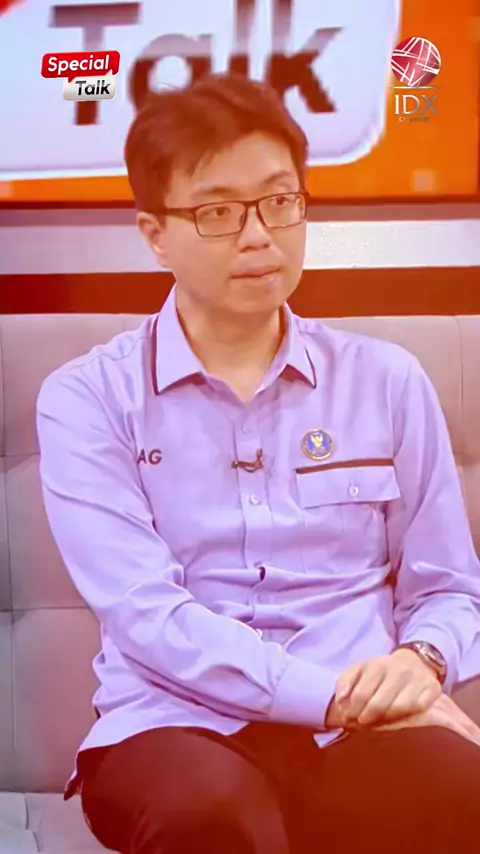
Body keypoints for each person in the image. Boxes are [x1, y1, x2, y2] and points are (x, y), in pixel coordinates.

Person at [36, 73, 480, 854]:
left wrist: (421, 661)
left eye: (280, 201)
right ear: (154, 233)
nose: (258, 236)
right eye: (218, 212)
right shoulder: (87, 397)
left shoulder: (386, 381)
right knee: (209, 817)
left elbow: (447, 585)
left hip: (360, 729)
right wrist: (330, 695)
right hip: (174, 726)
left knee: (458, 789)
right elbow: (148, 616)